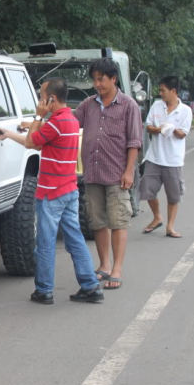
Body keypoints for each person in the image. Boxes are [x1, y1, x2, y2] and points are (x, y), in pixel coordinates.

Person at [0, 78, 103, 304]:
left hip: (50, 193)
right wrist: (16, 130)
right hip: (69, 190)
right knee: (75, 240)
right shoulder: (70, 120)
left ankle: (44, 290)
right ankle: (91, 286)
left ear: (51, 99)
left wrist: (36, 117)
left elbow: (30, 143)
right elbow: (37, 136)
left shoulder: (54, 123)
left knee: (45, 243)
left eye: (41, 96)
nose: (39, 99)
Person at [74, 58, 143, 290]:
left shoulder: (129, 105)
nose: (97, 84)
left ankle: (117, 269)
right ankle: (104, 266)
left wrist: (129, 171)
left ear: (113, 78)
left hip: (117, 174)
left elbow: (134, 142)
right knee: (98, 222)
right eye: (94, 79)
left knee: (118, 222)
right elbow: (70, 124)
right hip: (92, 173)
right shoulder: (88, 104)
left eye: (101, 79)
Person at [140, 76, 192, 238]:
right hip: (154, 157)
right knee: (147, 190)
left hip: (173, 160)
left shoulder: (185, 111)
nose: (160, 93)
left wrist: (172, 128)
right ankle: (157, 217)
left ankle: (170, 227)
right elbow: (148, 126)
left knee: (173, 195)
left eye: (163, 90)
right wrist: (159, 129)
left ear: (173, 91)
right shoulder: (157, 106)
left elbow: (183, 133)